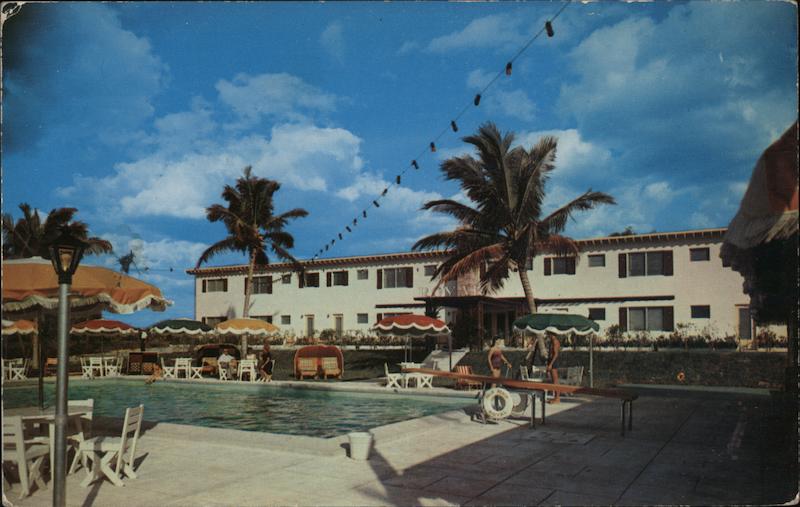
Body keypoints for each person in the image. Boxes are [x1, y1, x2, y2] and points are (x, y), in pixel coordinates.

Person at [546, 333, 561, 403]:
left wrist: (551, 364)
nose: (548, 336)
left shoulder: (555, 341)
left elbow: (556, 354)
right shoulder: (551, 342)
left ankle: (557, 398)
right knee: (553, 380)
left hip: (553, 362)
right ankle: (555, 397)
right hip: (551, 361)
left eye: (549, 334)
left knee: (555, 381)